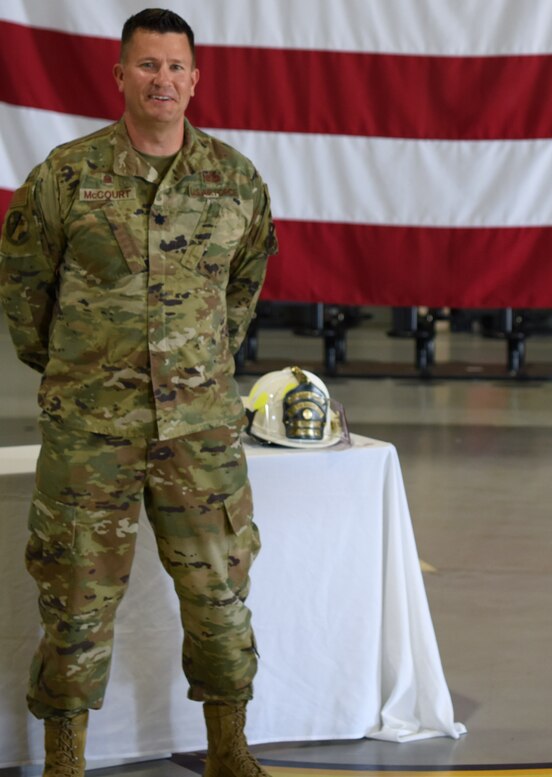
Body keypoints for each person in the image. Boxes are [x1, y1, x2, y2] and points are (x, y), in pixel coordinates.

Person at [0, 9, 278, 777]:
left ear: (196, 78)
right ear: (119, 75)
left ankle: (229, 749)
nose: (162, 79)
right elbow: (23, 293)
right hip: (92, 433)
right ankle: (64, 761)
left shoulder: (235, 183)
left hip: (202, 434)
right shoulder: (66, 177)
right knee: (75, 605)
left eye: (175, 66)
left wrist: (200, 372)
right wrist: (76, 373)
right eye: (147, 65)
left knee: (221, 598)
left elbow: (242, 290)